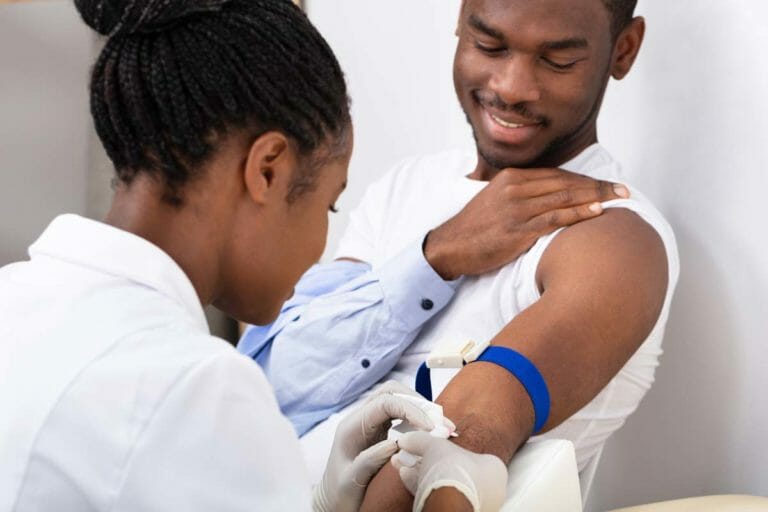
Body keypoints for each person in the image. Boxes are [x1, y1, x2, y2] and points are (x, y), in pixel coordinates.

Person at [0, 1, 510, 511]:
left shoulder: (16, 299)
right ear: (267, 169)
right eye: (327, 205)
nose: (319, 249)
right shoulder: (199, 390)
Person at [238, 0, 681, 510]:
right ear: (460, 21)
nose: (512, 87)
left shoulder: (612, 235)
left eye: (557, 60)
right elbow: (271, 383)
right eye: (489, 45)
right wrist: (438, 255)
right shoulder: (404, 187)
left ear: (622, 51)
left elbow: (448, 453)